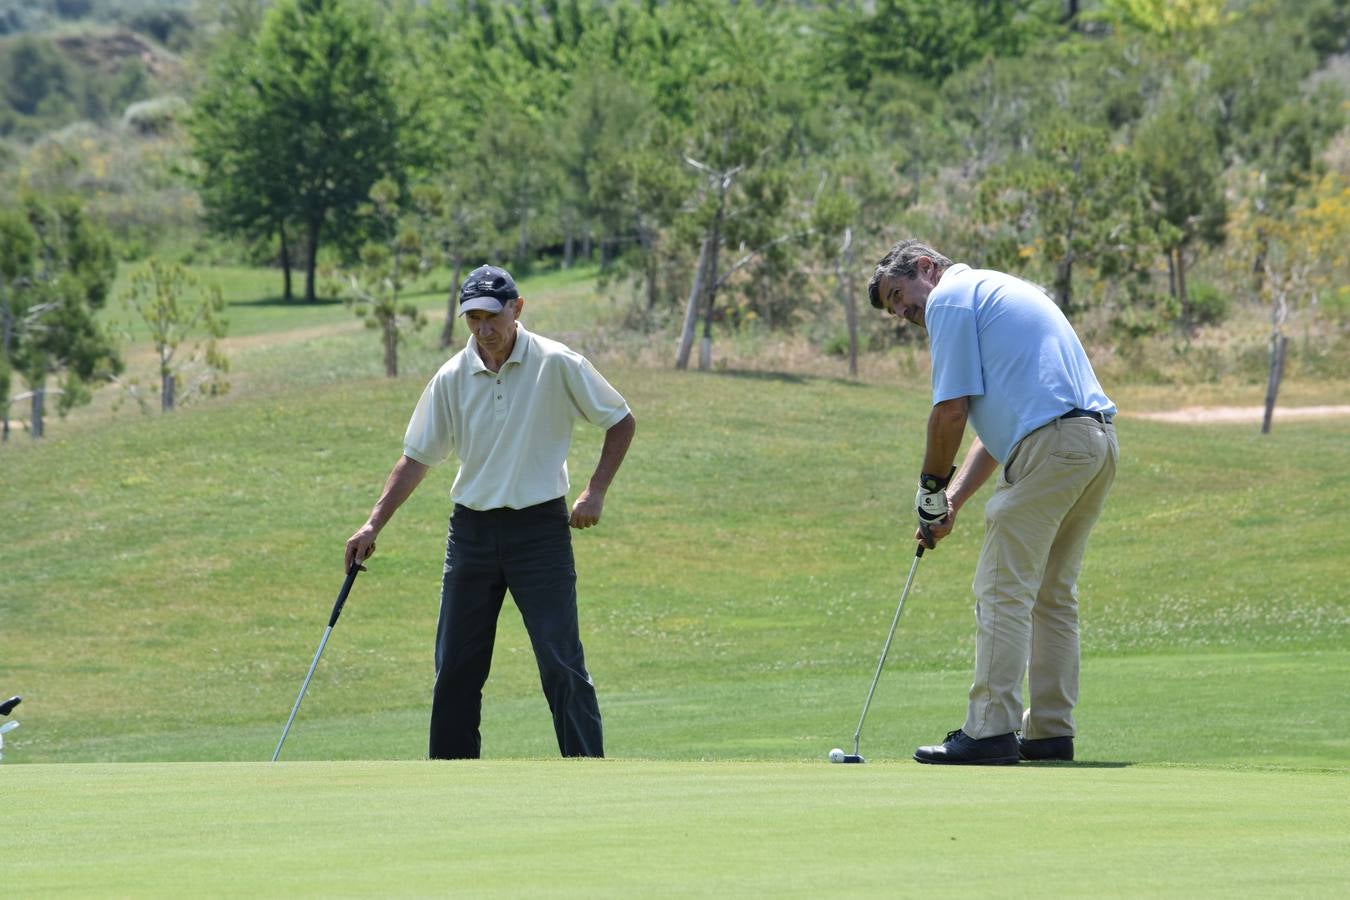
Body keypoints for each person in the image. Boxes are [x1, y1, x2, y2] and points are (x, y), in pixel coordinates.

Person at [345, 264, 636, 760]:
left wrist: (596, 491)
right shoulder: (452, 376)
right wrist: (374, 521)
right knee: (456, 666)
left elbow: (620, 421)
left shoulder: (557, 362)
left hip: (540, 531)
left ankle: (588, 772)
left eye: (492, 316)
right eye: (473, 318)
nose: (484, 329)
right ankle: (451, 781)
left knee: (560, 661)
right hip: (472, 534)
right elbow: (417, 458)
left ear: (516, 309)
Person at [868, 239, 1118, 765]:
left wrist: (929, 490)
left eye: (900, 295)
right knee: (1052, 593)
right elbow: (993, 432)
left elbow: (950, 413)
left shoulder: (950, 299)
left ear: (926, 268)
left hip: (1054, 444)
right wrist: (952, 501)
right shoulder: (992, 290)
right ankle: (1050, 731)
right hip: (1092, 444)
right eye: (894, 309)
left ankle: (989, 730)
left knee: (1002, 588)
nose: (904, 311)